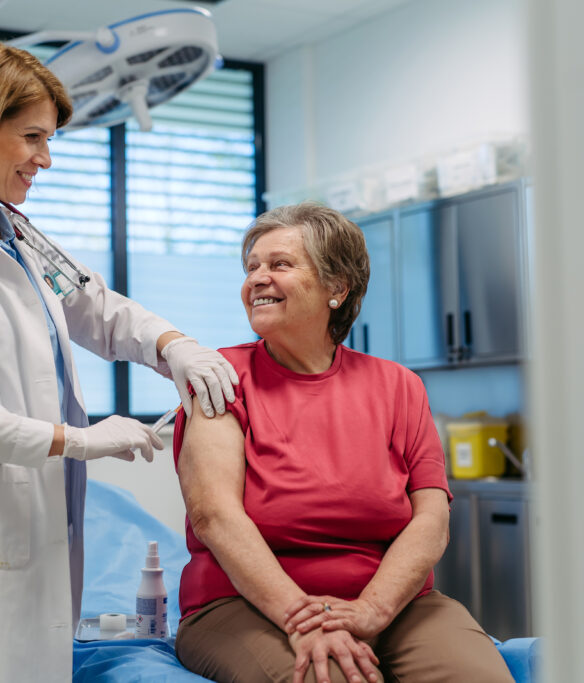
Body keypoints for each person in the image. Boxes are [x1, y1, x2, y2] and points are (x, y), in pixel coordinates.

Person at [0, 41, 238, 682]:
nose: (46, 158)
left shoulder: (16, 233)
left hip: (37, 526)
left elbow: (95, 307)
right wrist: (74, 441)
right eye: (32, 137)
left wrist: (170, 345)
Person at [172, 202, 514, 683]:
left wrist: (372, 610)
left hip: (393, 604)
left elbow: (431, 519)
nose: (257, 279)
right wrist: (301, 618)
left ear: (337, 288)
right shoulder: (219, 377)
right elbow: (214, 516)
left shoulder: (399, 386)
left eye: (280, 264)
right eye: (252, 268)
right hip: (245, 605)